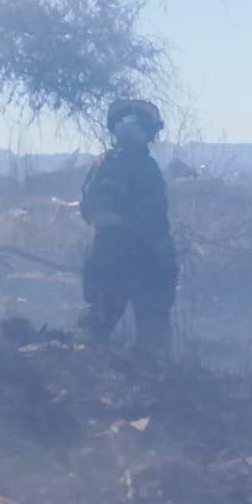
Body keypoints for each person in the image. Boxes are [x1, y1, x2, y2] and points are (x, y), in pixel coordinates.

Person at [77, 98, 178, 356]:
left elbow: (87, 210)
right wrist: (166, 259)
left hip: (102, 256)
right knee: (153, 328)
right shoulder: (145, 168)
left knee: (97, 322)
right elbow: (154, 220)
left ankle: (79, 370)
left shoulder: (101, 165)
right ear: (151, 132)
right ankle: (156, 383)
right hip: (142, 259)